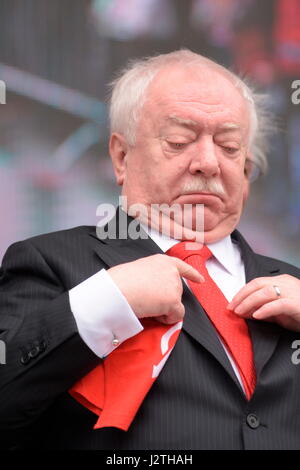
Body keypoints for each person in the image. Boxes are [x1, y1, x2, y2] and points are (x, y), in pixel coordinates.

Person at [1, 49, 300, 450]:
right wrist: (107, 300)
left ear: (246, 173)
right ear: (121, 157)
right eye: (180, 141)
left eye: (230, 147)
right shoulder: (52, 262)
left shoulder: (292, 286)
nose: (209, 162)